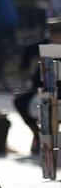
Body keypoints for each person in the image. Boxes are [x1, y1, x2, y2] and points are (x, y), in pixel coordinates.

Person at [14, 18, 61, 154]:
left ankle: (49, 141)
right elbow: (28, 51)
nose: (55, 38)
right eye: (53, 35)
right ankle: (38, 134)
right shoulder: (45, 45)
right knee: (21, 101)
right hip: (41, 90)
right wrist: (26, 71)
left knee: (50, 105)